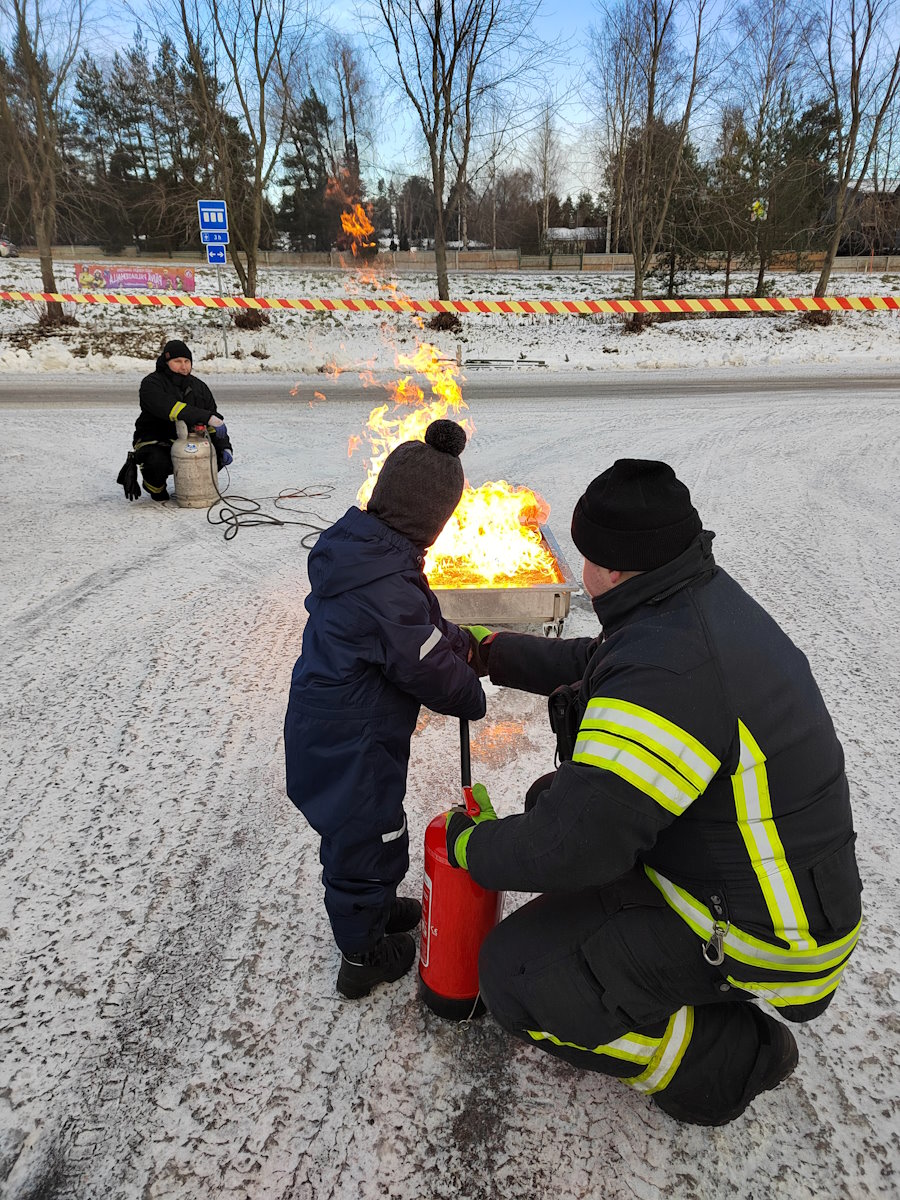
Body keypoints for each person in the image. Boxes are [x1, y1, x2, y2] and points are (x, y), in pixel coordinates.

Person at [447, 459, 862, 1126]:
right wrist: (492, 652)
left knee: (514, 978)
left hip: (762, 930)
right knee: (557, 796)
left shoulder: (672, 668)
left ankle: (727, 1057)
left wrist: (470, 847)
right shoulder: (690, 602)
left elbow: (573, 847)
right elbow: (602, 663)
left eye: (585, 556)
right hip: (757, 882)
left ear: (611, 568)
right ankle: (623, 959)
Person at [284, 419, 486, 1000]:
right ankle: (362, 954)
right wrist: (467, 692)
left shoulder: (370, 553)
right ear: (430, 519)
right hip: (353, 742)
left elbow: (416, 627)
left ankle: (370, 911)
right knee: (364, 842)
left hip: (343, 727)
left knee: (370, 833)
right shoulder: (385, 582)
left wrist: (456, 639)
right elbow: (420, 660)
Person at [132, 339, 233, 502]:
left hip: (188, 441)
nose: (183, 366)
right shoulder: (151, 384)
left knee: (214, 455)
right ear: (166, 362)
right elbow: (170, 408)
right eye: (177, 361)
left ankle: (192, 488)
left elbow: (212, 421)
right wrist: (206, 417)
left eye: (187, 361)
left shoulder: (199, 387)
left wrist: (225, 447)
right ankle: (154, 487)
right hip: (155, 439)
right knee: (156, 462)